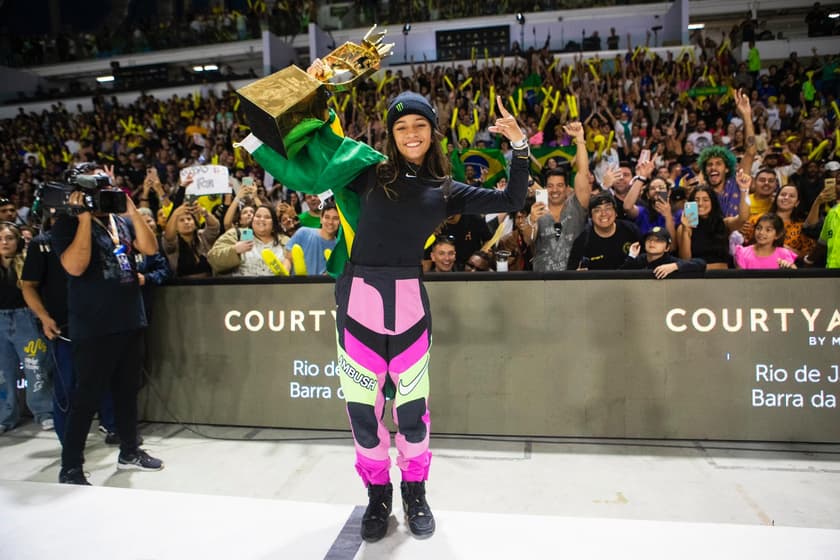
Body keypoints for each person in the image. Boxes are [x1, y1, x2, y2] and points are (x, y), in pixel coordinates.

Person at [240, 86, 528, 541]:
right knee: (363, 413)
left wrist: (519, 144)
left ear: (433, 133)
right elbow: (314, 162)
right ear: (391, 135)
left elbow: (512, 200)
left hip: (410, 305)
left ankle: (416, 491)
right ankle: (378, 495)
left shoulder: (444, 189)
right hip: (358, 303)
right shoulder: (366, 171)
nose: (410, 134)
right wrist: (310, 94)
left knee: (412, 410)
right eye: (401, 127)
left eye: (419, 125)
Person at [50, 185, 164, 485]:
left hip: (128, 319)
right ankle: (71, 466)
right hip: (93, 326)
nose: (103, 197)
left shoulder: (122, 220)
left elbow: (151, 248)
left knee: (127, 392)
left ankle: (129, 451)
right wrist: (84, 218)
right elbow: (75, 267)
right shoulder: (66, 224)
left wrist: (131, 209)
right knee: (86, 397)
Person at [0, 222, 53, 433]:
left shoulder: (28, 261)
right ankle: (6, 415)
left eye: (9, 238)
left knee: (35, 368)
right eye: (1, 239)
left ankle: (44, 412)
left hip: (25, 318)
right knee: (4, 372)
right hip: (1, 320)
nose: (4, 243)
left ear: (18, 241)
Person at [522, 123, 592, 271]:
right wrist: (531, 220)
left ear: (567, 188)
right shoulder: (538, 208)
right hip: (543, 280)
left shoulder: (577, 205)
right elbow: (528, 240)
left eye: (560, 185)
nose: (555, 190)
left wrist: (579, 139)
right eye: (550, 185)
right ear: (546, 188)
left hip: (573, 279)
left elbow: (583, 173)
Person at [207, 205, 289, 276]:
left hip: (276, 290)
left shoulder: (285, 241)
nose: (262, 219)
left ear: (274, 223)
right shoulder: (236, 234)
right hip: (243, 290)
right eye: (258, 216)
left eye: (267, 217)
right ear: (253, 220)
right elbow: (213, 258)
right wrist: (235, 250)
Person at [567, 192, 641, 270]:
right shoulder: (583, 240)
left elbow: (647, 257)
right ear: (591, 216)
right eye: (597, 210)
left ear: (616, 213)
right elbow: (571, 271)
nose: (603, 214)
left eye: (608, 208)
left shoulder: (630, 230)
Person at [162, 198, 221, 278]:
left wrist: (204, 212)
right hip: (182, 287)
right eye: (182, 220)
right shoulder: (174, 243)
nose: (186, 222)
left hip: (208, 284)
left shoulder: (202, 236)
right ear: (175, 227)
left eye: (189, 219)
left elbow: (214, 227)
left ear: (195, 223)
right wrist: (175, 214)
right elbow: (168, 238)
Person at [620, 226, 707, 278]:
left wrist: (675, 266)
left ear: (667, 247)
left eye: (658, 240)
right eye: (649, 239)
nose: (652, 242)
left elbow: (701, 263)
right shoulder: (640, 259)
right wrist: (631, 256)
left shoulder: (670, 261)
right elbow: (620, 275)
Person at [285, 202, 340, 275]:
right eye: (327, 217)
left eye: (335, 218)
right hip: (297, 284)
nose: (330, 222)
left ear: (340, 222)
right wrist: (284, 274)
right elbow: (288, 258)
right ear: (321, 219)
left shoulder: (339, 248)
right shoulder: (303, 232)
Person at [733, 213, 798, 269]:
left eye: (768, 230)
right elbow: (741, 281)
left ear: (777, 235)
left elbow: (795, 276)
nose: (761, 232)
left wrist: (788, 267)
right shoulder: (743, 253)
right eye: (758, 228)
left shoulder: (784, 254)